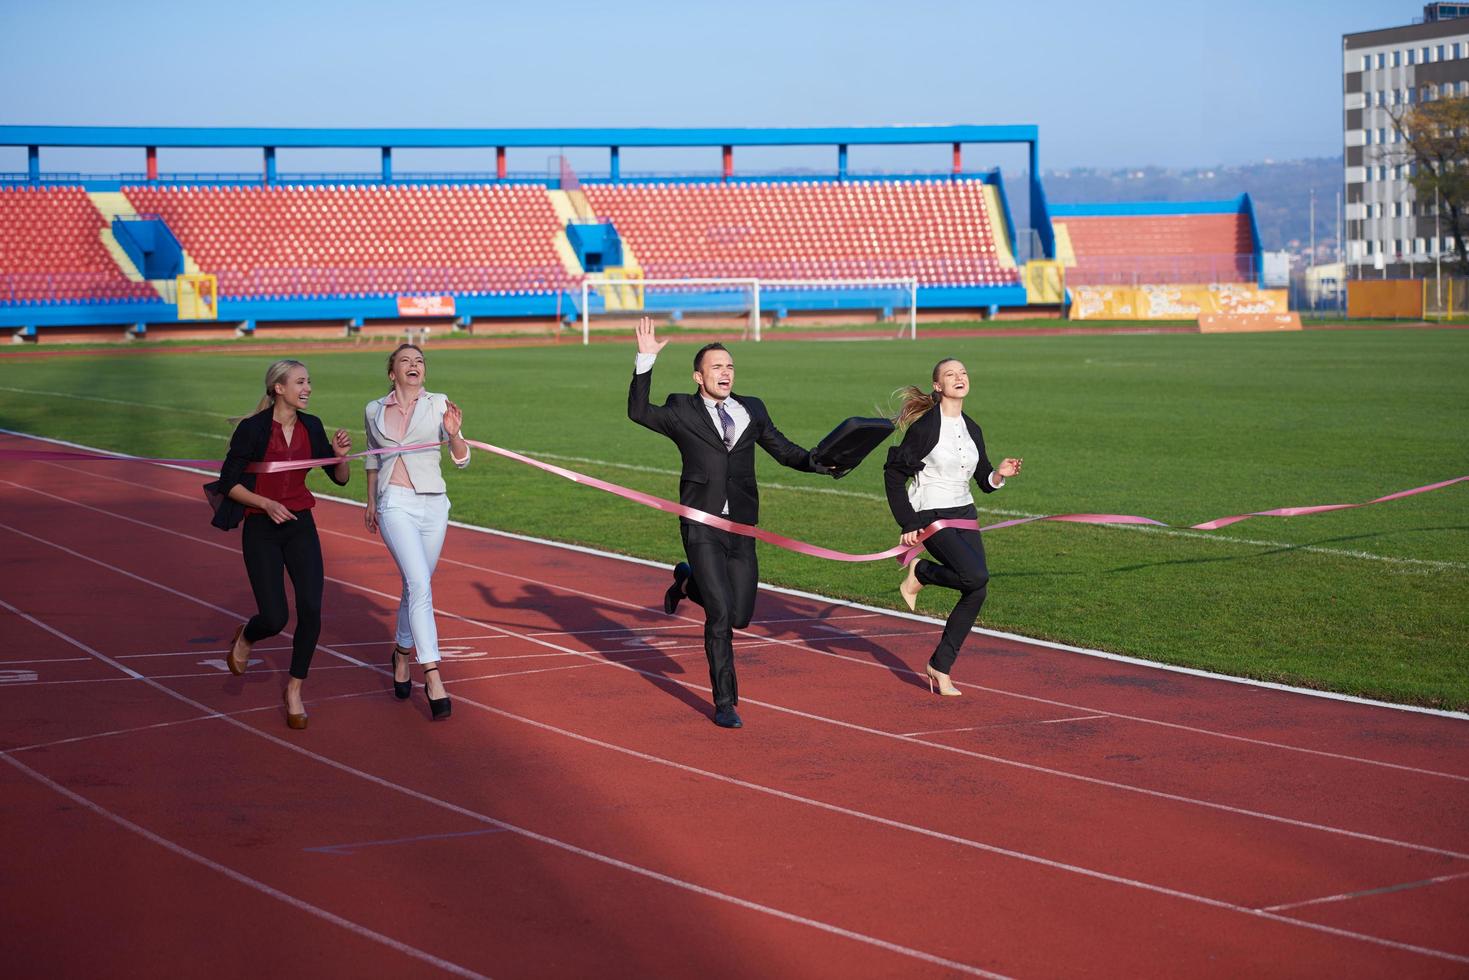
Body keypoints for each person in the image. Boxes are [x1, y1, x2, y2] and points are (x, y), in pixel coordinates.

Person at [628, 316, 836, 728]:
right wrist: (645, 360)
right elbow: (637, 411)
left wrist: (822, 464)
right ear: (698, 376)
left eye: (730, 366)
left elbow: (784, 450)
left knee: (740, 615)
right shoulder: (680, 408)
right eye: (717, 367)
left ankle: (686, 582)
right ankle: (725, 702)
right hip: (701, 525)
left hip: (742, 526)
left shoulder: (751, 408)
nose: (725, 372)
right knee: (720, 616)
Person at [213, 359, 351, 730]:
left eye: (309, 381)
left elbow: (339, 479)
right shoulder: (253, 429)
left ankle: (294, 689)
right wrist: (266, 504)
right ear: (278, 388)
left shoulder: (312, 425)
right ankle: (247, 635)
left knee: (311, 609)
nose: (307, 388)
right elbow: (228, 483)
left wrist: (340, 458)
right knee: (274, 618)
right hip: (261, 527)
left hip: (300, 525)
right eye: (300, 382)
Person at [884, 358, 1022, 696]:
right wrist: (909, 521)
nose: (959, 378)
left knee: (976, 588)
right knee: (976, 576)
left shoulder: (971, 426)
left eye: (963, 373)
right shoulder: (926, 428)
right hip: (932, 514)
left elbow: (984, 479)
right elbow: (893, 474)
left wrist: (1000, 473)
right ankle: (923, 572)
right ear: (937, 386)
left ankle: (940, 665)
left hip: (965, 512)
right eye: (950, 374)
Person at [363, 343, 469, 721]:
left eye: (419, 361)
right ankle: (434, 675)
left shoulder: (439, 403)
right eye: (405, 361)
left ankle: (401, 653)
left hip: (434, 504)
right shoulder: (374, 410)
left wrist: (455, 434)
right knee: (422, 586)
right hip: (396, 504)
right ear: (392, 372)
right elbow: (373, 457)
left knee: (415, 586)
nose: (414, 365)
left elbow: (461, 459)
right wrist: (373, 501)